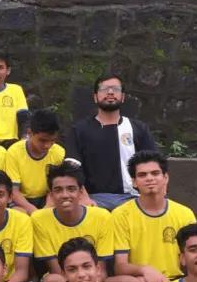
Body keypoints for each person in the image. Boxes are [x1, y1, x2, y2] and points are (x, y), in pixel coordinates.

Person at [107, 151, 196, 282]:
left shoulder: (184, 214)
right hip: (140, 281)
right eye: (142, 175)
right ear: (134, 182)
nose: (149, 178)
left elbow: (192, 259)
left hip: (174, 280)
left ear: (166, 178)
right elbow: (120, 266)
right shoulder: (121, 215)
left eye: (155, 173)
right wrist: (145, 269)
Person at [65, 74, 158, 211]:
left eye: (115, 89)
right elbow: (72, 168)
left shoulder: (138, 129)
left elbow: (153, 165)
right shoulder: (79, 130)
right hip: (93, 199)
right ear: (95, 97)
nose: (110, 92)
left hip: (133, 197)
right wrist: (84, 198)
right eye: (104, 89)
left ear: (123, 97)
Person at [31, 162, 113, 282]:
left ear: (81, 192)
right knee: (54, 281)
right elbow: (56, 270)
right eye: (58, 190)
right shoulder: (39, 219)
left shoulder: (102, 217)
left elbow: (101, 269)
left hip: (93, 278)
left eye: (71, 189)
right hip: (62, 277)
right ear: (51, 195)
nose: (65, 195)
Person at [6, 108, 65, 214]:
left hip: (47, 197)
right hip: (21, 199)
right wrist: (35, 212)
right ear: (30, 133)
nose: (47, 145)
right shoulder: (14, 152)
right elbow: (14, 192)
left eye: (52, 140)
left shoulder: (59, 152)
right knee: (19, 214)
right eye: (42, 140)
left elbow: (57, 187)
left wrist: (48, 206)